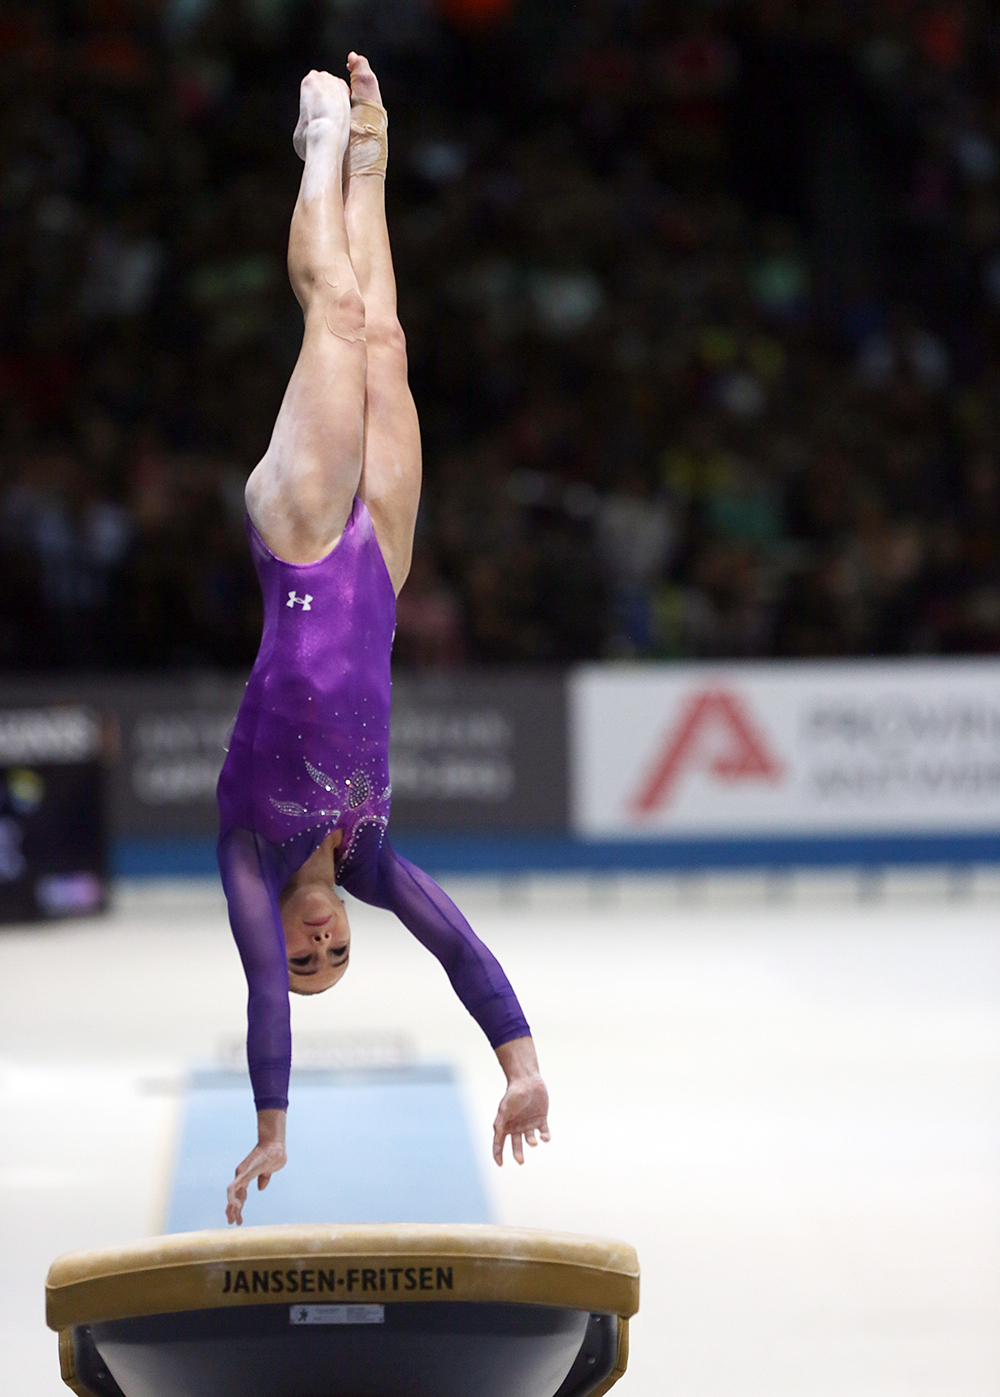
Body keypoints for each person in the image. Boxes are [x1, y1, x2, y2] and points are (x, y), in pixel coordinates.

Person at [216, 57, 550, 1227]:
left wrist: (271, 1123)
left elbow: (262, 992)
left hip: (302, 548)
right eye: (329, 959)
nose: (308, 950)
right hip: (382, 571)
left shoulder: (252, 858)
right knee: (391, 341)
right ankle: (369, 159)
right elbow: (457, 942)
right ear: (348, 931)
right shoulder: (368, 855)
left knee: (338, 317)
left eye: (303, 958)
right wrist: (517, 1059)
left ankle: (311, 145)